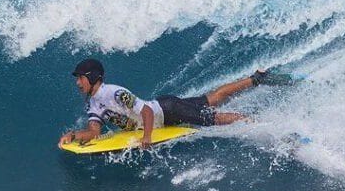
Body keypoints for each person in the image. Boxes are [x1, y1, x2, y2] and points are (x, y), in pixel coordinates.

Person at [59, 58, 291, 149]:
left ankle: (263, 124)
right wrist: (73, 136)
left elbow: (146, 111)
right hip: (165, 109)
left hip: (167, 111)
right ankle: (257, 78)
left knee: (214, 118)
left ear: (91, 77)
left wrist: (147, 136)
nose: (78, 83)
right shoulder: (94, 104)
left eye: (80, 78)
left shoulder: (115, 93)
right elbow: (93, 131)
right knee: (211, 99)